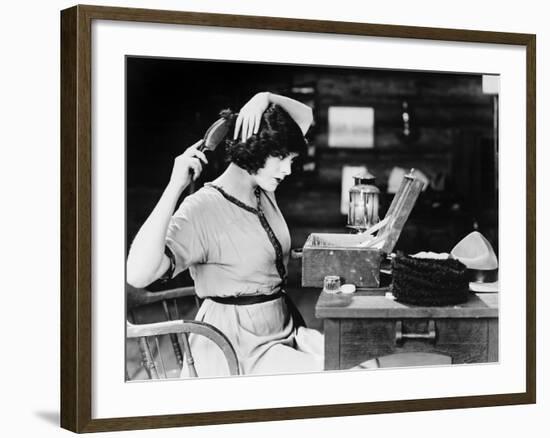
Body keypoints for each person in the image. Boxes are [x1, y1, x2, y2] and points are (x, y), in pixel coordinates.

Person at [126, 92, 324, 377]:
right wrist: (174, 187)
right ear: (256, 147)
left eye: (291, 159)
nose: (288, 169)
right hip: (235, 348)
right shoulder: (203, 207)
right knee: (331, 375)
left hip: (281, 332)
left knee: (357, 359)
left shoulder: (262, 189)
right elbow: (137, 275)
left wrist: (264, 97)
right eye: (281, 158)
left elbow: (305, 117)